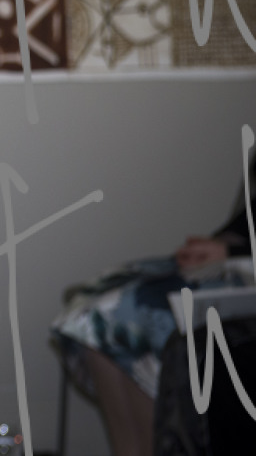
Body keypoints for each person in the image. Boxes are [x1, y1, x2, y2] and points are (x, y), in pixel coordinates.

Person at [53, 147, 255, 456]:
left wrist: (234, 253)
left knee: (138, 315)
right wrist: (219, 244)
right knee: (93, 310)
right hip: (238, 260)